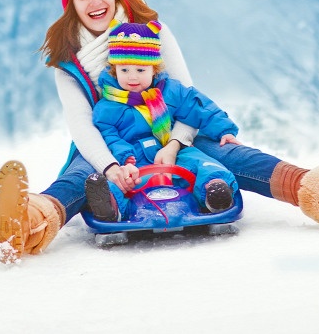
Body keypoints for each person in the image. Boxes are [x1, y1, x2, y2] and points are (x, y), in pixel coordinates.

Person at [0, 0, 319, 264]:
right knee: (82, 176)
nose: (96, 1)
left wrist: (176, 144)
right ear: (70, 3)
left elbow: (186, 95)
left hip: (171, 130)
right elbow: (83, 127)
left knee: (233, 156)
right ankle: (24, 226)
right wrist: (111, 166)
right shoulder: (68, 62)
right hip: (109, 143)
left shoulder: (153, 32)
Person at [85, 20, 240, 221]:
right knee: (121, 181)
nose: (132, 77)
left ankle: (214, 191)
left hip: (172, 151)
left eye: (140, 70)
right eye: (124, 70)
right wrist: (125, 158)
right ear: (114, 70)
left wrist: (224, 130)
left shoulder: (170, 91)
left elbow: (198, 106)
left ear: (154, 69)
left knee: (201, 163)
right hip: (135, 158)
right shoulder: (107, 107)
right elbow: (109, 136)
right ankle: (110, 205)